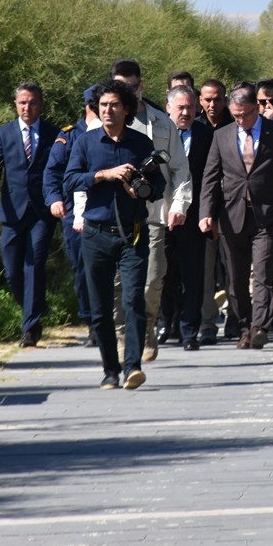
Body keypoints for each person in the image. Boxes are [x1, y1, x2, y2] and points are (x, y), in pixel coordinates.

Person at [63, 80, 158, 390]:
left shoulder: (141, 143)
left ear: (126, 109)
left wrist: (138, 189)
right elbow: (70, 180)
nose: (107, 110)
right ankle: (110, 370)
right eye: (102, 105)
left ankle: (132, 366)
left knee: (133, 300)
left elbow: (158, 186)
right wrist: (103, 175)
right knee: (101, 306)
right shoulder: (85, 143)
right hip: (95, 234)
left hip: (132, 233)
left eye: (114, 105)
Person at [200, 85, 273, 350]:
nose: (241, 120)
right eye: (235, 115)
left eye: (245, 115)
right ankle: (245, 325)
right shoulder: (222, 136)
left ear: (256, 109)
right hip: (231, 215)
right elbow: (211, 178)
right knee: (235, 280)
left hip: (267, 216)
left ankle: (260, 326)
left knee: (263, 274)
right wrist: (206, 213)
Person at [110, 59, 191, 362]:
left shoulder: (162, 122)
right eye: (120, 88)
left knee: (153, 277)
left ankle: (146, 332)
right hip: (114, 215)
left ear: (141, 86)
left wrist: (179, 205)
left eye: (131, 87)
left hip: (155, 212)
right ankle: (122, 337)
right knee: (118, 281)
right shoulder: (101, 124)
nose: (127, 93)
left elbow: (180, 169)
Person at [0, 82, 59, 348]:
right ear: (15, 104)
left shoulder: (53, 133)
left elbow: (59, 170)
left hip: (41, 212)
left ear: (41, 105)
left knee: (34, 263)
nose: (28, 107)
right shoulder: (3, 134)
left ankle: (30, 328)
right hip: (12, 211)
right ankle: (33, 309)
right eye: (23, 102)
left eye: (33, 102)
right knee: (13, 271)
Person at [42, 86, 96, 344]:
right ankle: (91, 321)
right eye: (96, 104)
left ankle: (111, 319)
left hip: (106, 211)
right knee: (82, 269)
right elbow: (52, 172)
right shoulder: (69, 136)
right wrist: (54, 200)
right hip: (75, 212)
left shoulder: (115, 134)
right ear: (86, 105)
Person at [163, 84, 215, 350]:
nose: (185, 112)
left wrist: (208, 213)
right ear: (168, 107)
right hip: (160, 216)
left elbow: (213, 178)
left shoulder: (208, 136)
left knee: (192, 276)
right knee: (163, 274)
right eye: (180, 107)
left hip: (194, 218)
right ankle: (165, 323)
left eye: (191, 107)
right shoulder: (155, 136)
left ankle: (189, 331)